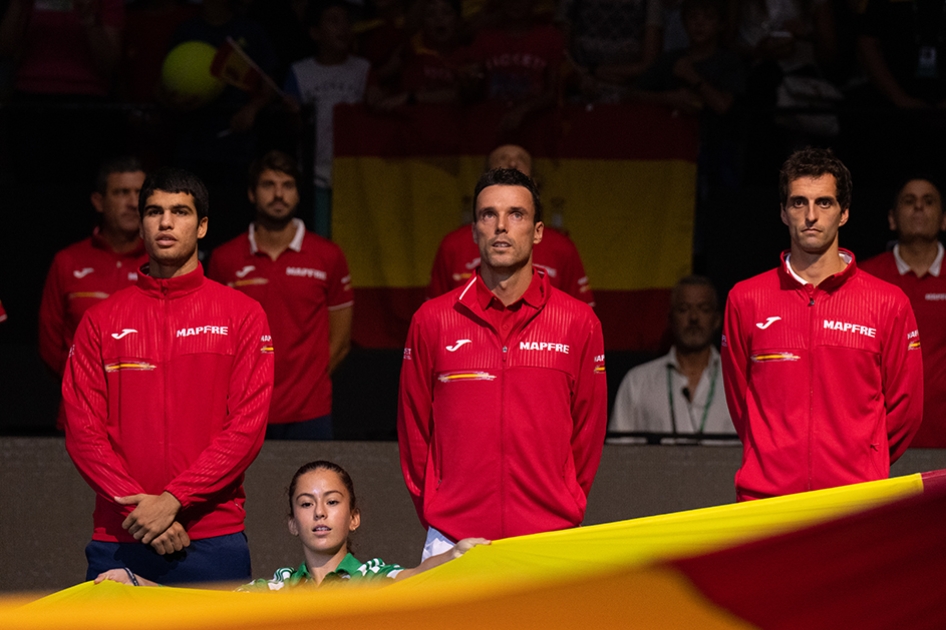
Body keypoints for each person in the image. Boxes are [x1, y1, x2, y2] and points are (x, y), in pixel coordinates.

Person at [62, 167, 275, 585]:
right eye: (154, 211)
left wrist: (175, 499)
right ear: (140, 224)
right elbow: (82, 431)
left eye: (180, 212)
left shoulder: (243, 315)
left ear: (203, 226)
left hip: (212, 534)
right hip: (121, 534)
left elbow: (246, 428)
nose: (165, 222)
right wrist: (143, 512)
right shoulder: (100, 320)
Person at [398, 167, 607, 560]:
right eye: (488, 215)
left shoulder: (579, 321)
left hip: (550, 538)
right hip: (452, 539)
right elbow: (414, 431)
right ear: (474, 229)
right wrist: (438, 511)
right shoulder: (432, 319)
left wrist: (563, 503)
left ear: (539, 230)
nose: (501, 227)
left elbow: (588, 432)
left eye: (516, 214)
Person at [721, 147, 923, 502]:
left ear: (844, 213)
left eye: (824, 203)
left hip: (856, 502)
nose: (811, 215)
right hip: (766, 501)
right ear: (783, 212)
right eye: (799, 203)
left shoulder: (888, 302)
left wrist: (864, 461)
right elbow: (742, 404)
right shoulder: (745, 299)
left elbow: (906, 410)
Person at [97, 460, 489, 589]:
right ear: (292, 523)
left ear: (353, 518)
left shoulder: (375, 581)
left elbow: (417, 575)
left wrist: (457, 552)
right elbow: (201, 608)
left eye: (332, 502)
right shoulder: (273, 590)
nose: (319, 512)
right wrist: (135, 584)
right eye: (306, 504)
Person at [208, 150, 353, 440]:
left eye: (287, 185)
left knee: (311, 487)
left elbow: (340, 341)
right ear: (251, 193)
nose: (278, 194)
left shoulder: (328, 256)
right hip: (242, 410)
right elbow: (215, 338)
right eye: (268, 185)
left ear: (298, 194)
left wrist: (306, 385)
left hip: (310, 412)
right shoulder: (225, 259)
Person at [39, 157, 148, 428]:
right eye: (122, 193)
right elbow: (51, 346)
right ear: (99, 201)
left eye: (140, 193)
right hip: (80, 414)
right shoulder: (68, 261)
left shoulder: (166, 263)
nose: (133, 203)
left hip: (149, 417)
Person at [427, 144, 595, 307]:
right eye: (503, 158)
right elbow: (435, 314)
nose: (513, 164)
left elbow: (581, 316)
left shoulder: (561, 247)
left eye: (520, 159)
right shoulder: (453, 245)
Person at [860, 177, 946, 448]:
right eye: (909, 201)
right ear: (892, 219)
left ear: (944, 219)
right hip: (879, 442)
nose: (919, 207)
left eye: (928, 201)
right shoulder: (863, 278)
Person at [610, 275, 734, 442]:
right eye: (683, 309)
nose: (694, 318)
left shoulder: (738, 381)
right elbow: (618, 457)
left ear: (717, 319)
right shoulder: (637, 382)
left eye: (703, 309)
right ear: (670, 319)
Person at [284, 0, 370, 237]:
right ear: (315, 32)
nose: (343, 27)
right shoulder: (300, 72)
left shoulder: (363, 70)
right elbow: (293, 127)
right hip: (317, 176)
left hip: (356, 174)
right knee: (322, 236)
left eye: (346, 21)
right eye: (333, 21)